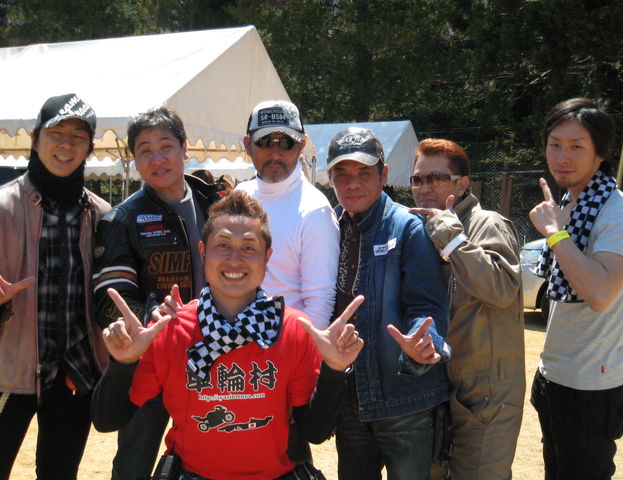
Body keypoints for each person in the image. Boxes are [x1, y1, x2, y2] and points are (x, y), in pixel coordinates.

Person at [91, 190, 364, 480]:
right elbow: (106, 420)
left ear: (267, 257)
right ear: (203, 252)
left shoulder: (294, 330)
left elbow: (314, 432)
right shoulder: (171, 330)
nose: (235, 259)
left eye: (249, 248)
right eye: (222, 245)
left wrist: (334, 370)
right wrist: (122, 364)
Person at [92, 107, 221, 480]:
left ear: (185, 148)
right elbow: (109, 299)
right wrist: (153, 320)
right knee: (134, 462)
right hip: (151, 362)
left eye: (166, 146)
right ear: (134, 160)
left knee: (211, 456)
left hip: (211, 354)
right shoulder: (122, 219)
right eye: (145, 150)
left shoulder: (214, 205)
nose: (157, 158)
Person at [326, 126, 451, 480]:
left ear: (383, 175)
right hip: (352, 401)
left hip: (406, 400)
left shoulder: (407, 228)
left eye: (364, 173)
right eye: (341, 174)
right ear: (330, 178)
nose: (352, 184)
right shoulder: (329, 227)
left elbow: (427, 307)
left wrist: (422, 345)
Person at [0, 93, 111, 480]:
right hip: (9, 370)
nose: (66, 145)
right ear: (35, 139)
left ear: (90, 148)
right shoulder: (4, 207)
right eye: (56, 133)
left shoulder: (100, 214)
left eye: (78, 137)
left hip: (74, 372)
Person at [529, 98, 623, 480]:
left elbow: (599, 293)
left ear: (600, 153)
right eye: (555, 144)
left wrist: (555, 234)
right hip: (554, 377)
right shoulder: (570, 205)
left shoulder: (619, 214)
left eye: (576, 146)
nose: (562, 157)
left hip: (592, 387)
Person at [409, 139, 525, 480]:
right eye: (417, 179)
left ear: (462, 185)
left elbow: (501, 289)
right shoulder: (421, 229)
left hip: (485, 396)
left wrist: (450, 236)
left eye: (436, 178)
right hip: (436, 389)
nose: (424, 187)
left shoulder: (486, 224)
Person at [237, 100, 339, 330]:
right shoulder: (239, 195)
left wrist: (299, 350)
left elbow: (320, 303)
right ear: (247, 144)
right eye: (264, 141)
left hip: (285, 344)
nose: (275, 153)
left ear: (301, 145)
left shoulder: (315, 210)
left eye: (286, 142)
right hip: (233, 338)